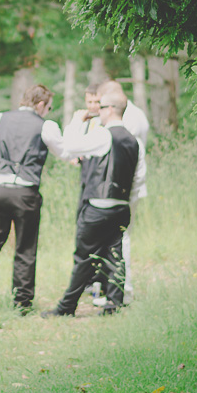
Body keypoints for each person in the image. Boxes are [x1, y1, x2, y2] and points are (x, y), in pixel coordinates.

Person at [43, 90, 146, 317]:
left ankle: (66, 307)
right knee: (114, 255)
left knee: (84, 257)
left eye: (100, 107)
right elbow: (138, 178)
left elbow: (69, 147)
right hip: (121, 207)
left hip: (99, 206)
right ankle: (114, 304)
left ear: (110, 109)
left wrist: (76, 122)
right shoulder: (134, 141)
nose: (97, 111)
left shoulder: (104, 136)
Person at [0, 84, 65, 322]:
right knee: (25, 247)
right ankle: (21, 304)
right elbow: (62, 152)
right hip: (25, 192)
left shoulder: (0, 118)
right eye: (49, 107)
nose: (48, 111)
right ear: (41, 105)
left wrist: (1, 164)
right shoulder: (46, 126)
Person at [95, 79, 149, 304]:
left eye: (100, 104)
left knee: (119, 237)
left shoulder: (128, 119)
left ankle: (121, 289)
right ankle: (111, 287)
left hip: (122, 188)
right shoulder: (135, 113)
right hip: (125, 187)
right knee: (117, 237)